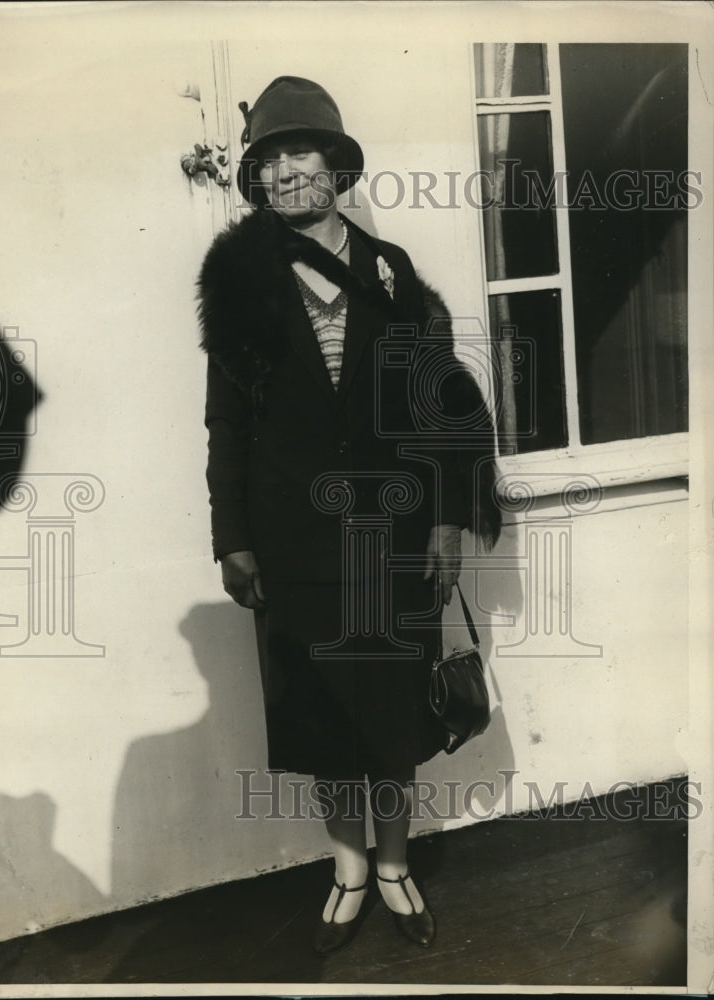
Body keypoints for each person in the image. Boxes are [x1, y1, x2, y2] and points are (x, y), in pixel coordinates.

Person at [198, 76, 501, 954]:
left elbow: (442, 412)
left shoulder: (390, 274)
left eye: (302, 153)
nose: (287, 172)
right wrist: (235, 537)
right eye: (269, 160)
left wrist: (445, 519)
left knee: (393, 710)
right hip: (292, 542)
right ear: (257, 181)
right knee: (323, 715)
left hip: (394, 535)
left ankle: (397, 867)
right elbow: (226, 425)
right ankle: (349, 872)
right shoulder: (238, 284)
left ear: (335, 168)